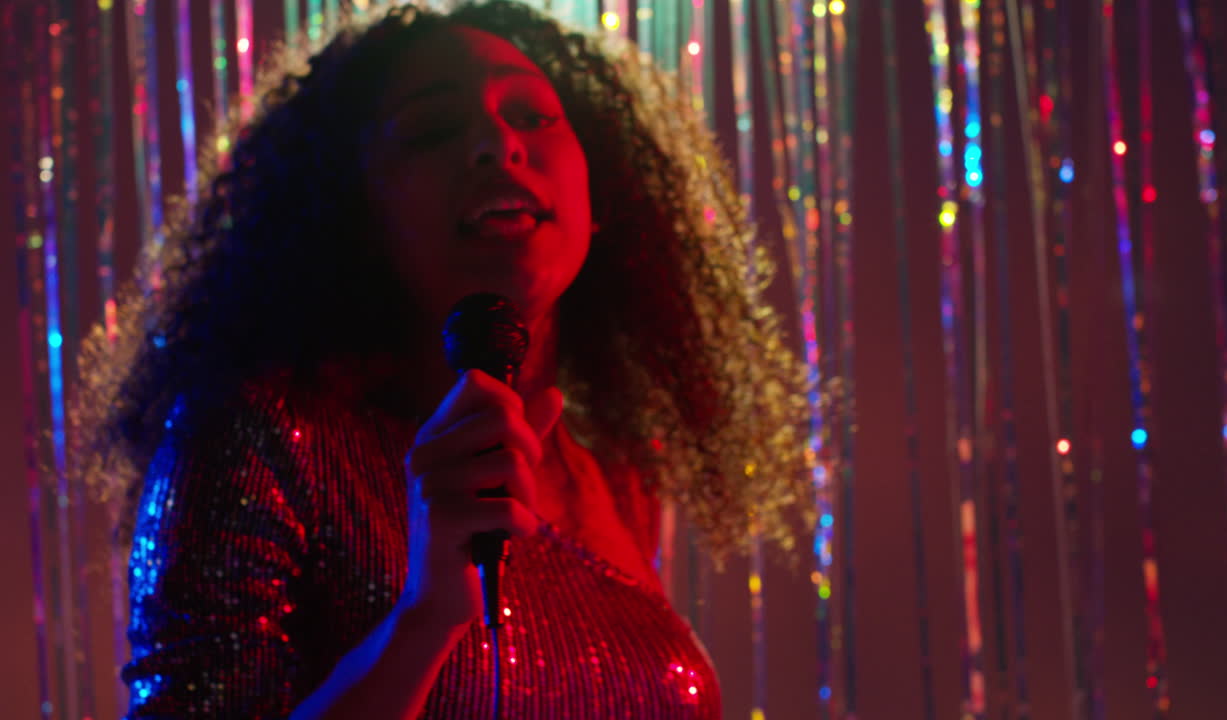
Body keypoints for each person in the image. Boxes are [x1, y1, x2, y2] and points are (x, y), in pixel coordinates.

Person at [71, 1, 814, 717]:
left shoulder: (622, 476)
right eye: (430, 130)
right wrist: (424, 618)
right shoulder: (257, 435)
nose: (496, 144)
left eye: (530, 115)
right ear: (353, 212)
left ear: (603, 194)